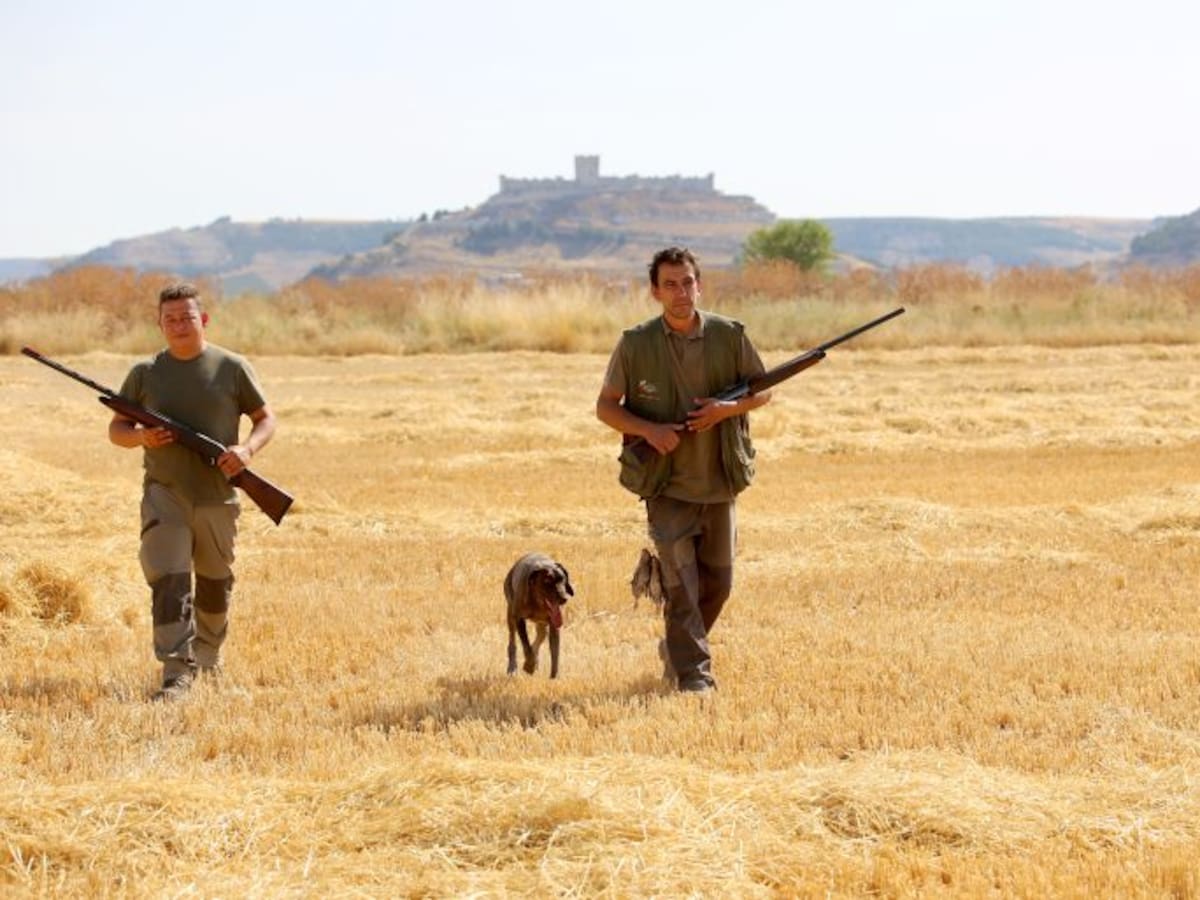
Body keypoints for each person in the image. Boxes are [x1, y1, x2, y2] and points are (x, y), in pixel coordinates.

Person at [596, 247, 770, 693]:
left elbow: (762, 391)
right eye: (670, 284)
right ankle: (695, 675)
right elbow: (606, 407)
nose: (680, 292)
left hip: (719, 481)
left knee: (720, 584)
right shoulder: (636, 344)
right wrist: (650, 431)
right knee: (681, 588)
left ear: (700, 284)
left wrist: (726, 409)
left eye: (687, 282)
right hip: (667, 486)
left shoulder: (730, 336)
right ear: (655, 291)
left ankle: (678, 648)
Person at [108, 282, 277, 700]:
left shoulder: (232, 367)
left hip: (218, 495)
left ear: (203, 320)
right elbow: (117, 429)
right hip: (164, 493)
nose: (179, 325)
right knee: (169, 579)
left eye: (187, 317)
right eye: (171, 319)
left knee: (215, 582)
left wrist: (246, 449)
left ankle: (209, 656)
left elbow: (265, 418)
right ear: (159, 324)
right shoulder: (145, 373)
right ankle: (176, 672)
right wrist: (141, 437)